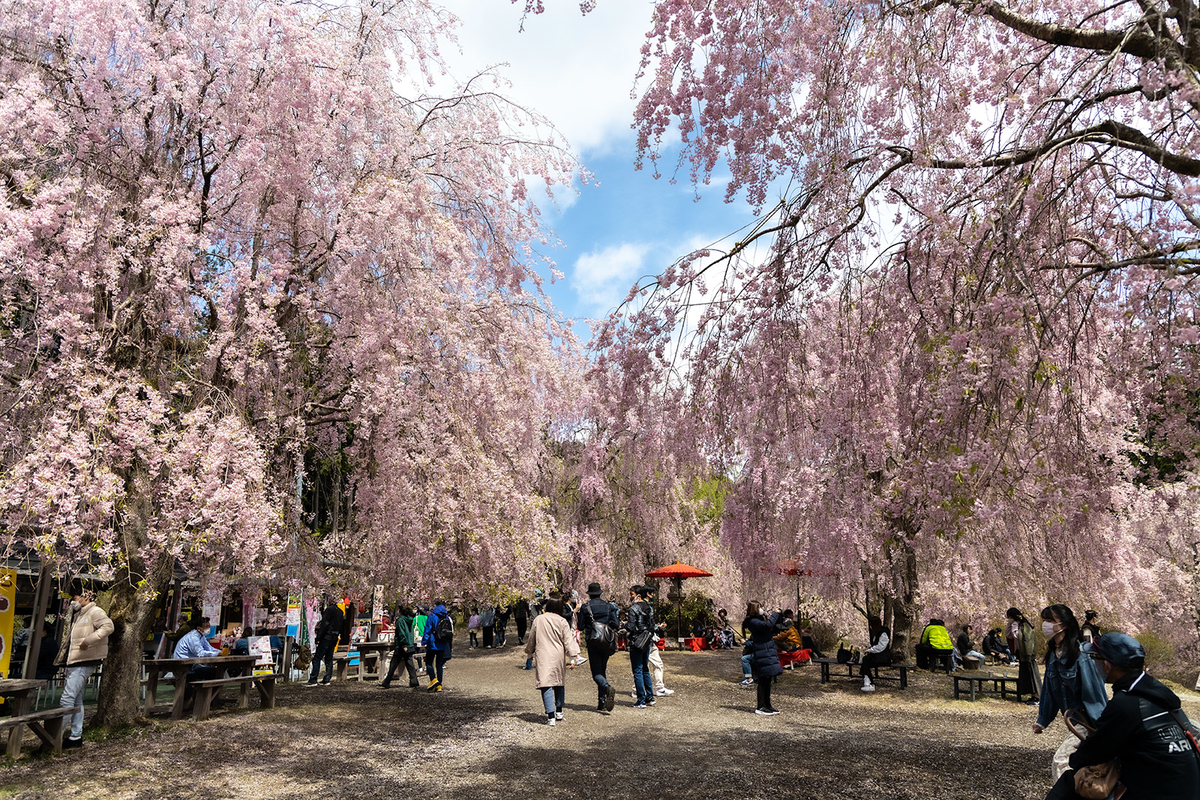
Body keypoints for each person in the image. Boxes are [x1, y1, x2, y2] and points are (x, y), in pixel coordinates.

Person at [1045, 632, 1200, 800]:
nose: (1093, 663)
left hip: (1156, 791)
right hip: (1188, 788)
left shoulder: (1126, 703)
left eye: (1094, 657)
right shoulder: (1158, 693)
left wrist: (1083, 751)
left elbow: (1086, 756)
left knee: (1072, 781)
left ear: (1107, 665)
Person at [1033, 603, 1108, 776]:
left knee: (1062, 762)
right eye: (1044, 620)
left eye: (1050, 620)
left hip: (1086, 722)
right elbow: (1049, 692)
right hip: (1073, 722)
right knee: (1080, 768)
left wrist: (1101, 730)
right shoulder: (1054, 654)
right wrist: (1042, 720)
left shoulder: (1081, 655)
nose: (1046, 625)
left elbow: (1095, 694)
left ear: (1064, 625)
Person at [55, 584, 114, 749]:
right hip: (77, 660)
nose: (73, 601)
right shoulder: (80, 614)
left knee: (67, 698)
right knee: (76, 699)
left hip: (84, 660)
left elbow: (108, 626)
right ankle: (75, 736)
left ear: (85, 596)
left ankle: (52, 738)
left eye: (75, 597)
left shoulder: (95, 612)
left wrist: (88, 641)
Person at [524, 596, 580, 725]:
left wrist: (529, 653)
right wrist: (572, 658)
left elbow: (532, 638)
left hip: (543, 654)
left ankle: (551, 716)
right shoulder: (561, 621)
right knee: (559, 681)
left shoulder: (539, 620)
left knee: (545, 683)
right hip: (558, 655)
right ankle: (559, 711)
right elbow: (568, 640)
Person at [577, 582, 620, 712]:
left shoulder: (586, 607)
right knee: (603, 670)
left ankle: (606, 688)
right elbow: (616, 624)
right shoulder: (608, 606)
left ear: (589, 594)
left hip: (593, 642)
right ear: (600, 593)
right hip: (606, 642)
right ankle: (601, 702)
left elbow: (580, 626)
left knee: (597, 673)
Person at [743, 602, 783, 714]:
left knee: (767, 679)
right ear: (754, 609)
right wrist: (775, 613)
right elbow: (768, 626)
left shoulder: (759, 620)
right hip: (762, 652)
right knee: (762, 680)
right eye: (759, 607)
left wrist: (779, 616)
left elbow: (771, 627)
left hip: (767, 651)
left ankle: (767, 705)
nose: (761, 609)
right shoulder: (752, 622)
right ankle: (760, 707)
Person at [624, 585, 655, 708]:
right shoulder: (649, 607)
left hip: (636, 641)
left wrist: (623, 627)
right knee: (645, 668)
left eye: (631, 594)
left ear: (638, 595)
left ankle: (641, 699)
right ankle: (650, 697)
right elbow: (652, 624)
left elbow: (631, 627)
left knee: (637, 670)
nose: (630, 596)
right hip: (646, 640)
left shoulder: (633, 609)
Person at [641, 584, 673, 696]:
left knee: (656, 663)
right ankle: (637, 689)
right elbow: (646, 624)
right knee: (643, 666)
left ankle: (659, 687)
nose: (654, 595)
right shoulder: (646, 607)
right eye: (653, 593)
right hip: (646, 639)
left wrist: (657, 626)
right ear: (648, 594)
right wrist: (658, 627)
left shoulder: (645, 606)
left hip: (648, 638)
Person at [380, 605, 420, 689]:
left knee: (394, 663)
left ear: (401, 611)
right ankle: (414, 681)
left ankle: (387, 681)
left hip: (402, 645)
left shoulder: (401, 620)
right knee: (410, 664)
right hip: (409, 644)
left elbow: (401, 633)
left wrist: (403, 645)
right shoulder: (410, 620)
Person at [306, 597, 344, 686]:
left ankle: (313, 679)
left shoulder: (329, 610)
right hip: (334, 636)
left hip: (327, 637)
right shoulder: (340, 612)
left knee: (317, 658)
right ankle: (327, 678)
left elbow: (324, 624)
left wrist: (318, 637)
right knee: (329, 658)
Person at [1008, 607, 1042, 700]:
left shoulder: (1024, 626)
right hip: (1023, 653)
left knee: (1032, 674)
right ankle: (1033, 695)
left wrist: (1013, 625)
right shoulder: (1021, 625)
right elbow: (1008, 635)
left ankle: (1036, 695)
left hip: (1028, 654)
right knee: (1026, 674)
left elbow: (1019, 637)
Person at [422, 600, 453, 691]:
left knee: (428, 662)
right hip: (442, 642)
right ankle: (439, 685)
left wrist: (424, 642)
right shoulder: (445, 615)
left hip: (432, 643)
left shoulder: (432, 615)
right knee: (439, 664)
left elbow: (427, 629)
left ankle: (433, 679)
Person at [859, 617, 891, 692]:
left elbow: (881, 647)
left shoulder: (883, 633)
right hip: (876, 656)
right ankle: (868, 681)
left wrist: (870, 650)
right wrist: (869, 648)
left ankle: (868, 681)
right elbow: (875, 645)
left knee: (866, 661)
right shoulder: (876, 633)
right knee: (865, 660)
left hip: (883, 658)